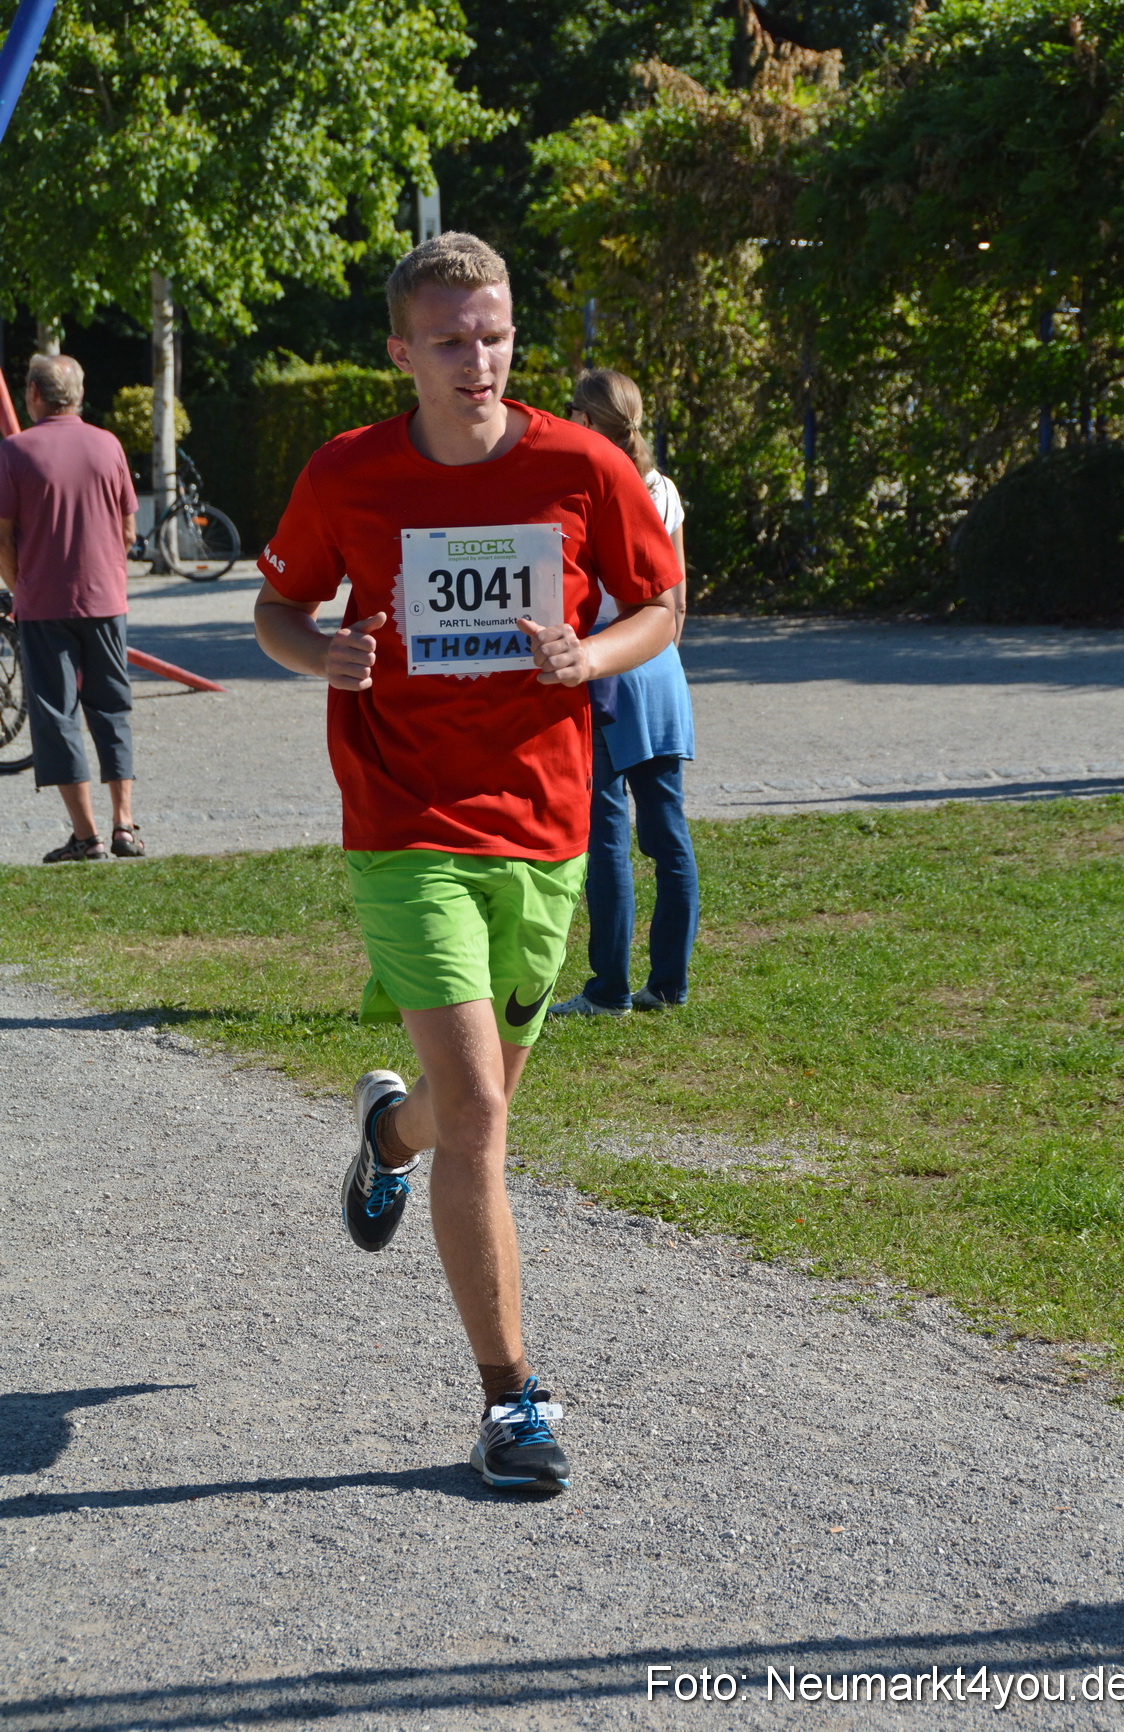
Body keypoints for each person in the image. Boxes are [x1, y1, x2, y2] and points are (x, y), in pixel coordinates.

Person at [253, 233, 679, 1494]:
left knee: (469, 1107)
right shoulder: (347, 474)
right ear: (402, 352)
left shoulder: (579, 463)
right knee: (485, 1114)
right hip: (405, 822)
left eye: (492, 334)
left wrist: (589, 661)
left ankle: (388, 1134)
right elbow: (278, 608)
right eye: (449, 338)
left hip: (544, 824)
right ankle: (511, 1405)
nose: (477, 359)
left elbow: (662, 604)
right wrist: (315, 654)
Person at [550, 369, 698, 1017]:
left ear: (586, 421)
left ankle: (608, 989)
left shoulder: (586, 487)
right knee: (668, 836)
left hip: (607, 665)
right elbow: (677, 600)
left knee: (604, 834)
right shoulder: (664, 489)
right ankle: (668, 985)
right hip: (661, 666)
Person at [0, 354, 144, 862]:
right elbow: (128, 530)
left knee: (55, 714)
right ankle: (125, 824)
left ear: (35, 395)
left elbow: (2, 539)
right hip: (105, 599)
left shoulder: (15, 452)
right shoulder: (108, 445)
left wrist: (23, 587)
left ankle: (87, 837)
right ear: (78, 395)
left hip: (44, 605)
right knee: (112, 706)